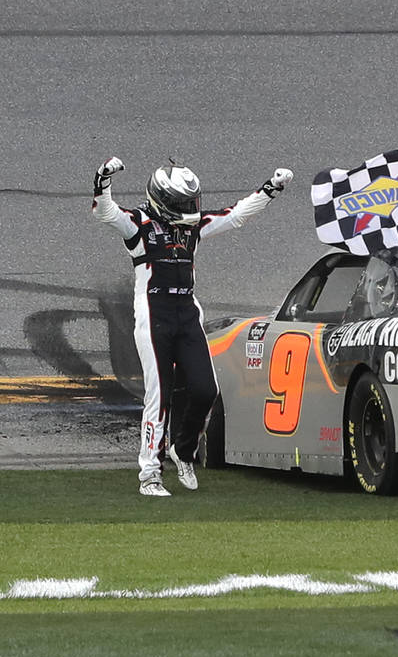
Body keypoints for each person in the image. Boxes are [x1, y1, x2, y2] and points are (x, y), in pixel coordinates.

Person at [92, 156, 292, 496]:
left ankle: (183, 451)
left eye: (192, 202)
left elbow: (235, 215)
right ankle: (150, 474)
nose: (191, 209)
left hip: (187, 313)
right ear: (164, 200)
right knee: (159, 395)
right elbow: (104, 211)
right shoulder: (138, 225)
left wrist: (270, 189)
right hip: (154, 314)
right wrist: (103, 178)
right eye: (183, 203)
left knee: (205, 389)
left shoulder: (193, 227)